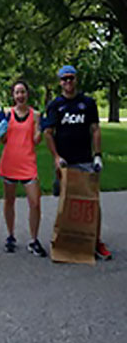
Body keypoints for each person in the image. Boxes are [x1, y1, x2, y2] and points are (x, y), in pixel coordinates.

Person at [44, 65, 112, 260]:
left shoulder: (88, 103)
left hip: (85, 160)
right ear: (60, 82)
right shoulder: (55, 105)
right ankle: (68, 241)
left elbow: (95, 129)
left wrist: (97, 154)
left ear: (76, 80)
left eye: (71, 78)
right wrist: (56, 157)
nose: (68, 82)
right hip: (65, 162)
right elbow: (48, 134)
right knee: (66, 204)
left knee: (92, 203)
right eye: (64, 79)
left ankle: (96, 241)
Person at [0, 80, 47, 257]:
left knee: (35, 202)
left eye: (23, 92)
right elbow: (2, 140)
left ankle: (34, 240)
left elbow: (36, 140)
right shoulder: (7, 113)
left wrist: (40, 129)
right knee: (9, 201)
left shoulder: (35, 114)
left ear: (27, 94)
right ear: (13, 95)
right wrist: (0, 129)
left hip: (28, 164)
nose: (20, 96)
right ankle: (10, 236)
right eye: (17, 92)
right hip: (10, 163)